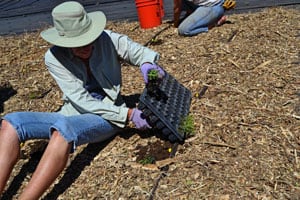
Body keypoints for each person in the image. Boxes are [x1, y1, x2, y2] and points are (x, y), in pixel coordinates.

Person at [0, 1, 165, 199]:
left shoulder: (108, 39)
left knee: (63, 132)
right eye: (76, 44)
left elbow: (140, 52)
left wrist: (147, 65)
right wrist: (129, 114)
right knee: (12, 123)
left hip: (108, 113)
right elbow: (81, 100)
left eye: (88, 39)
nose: (85, 46)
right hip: (74, 111)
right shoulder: (53, 57)